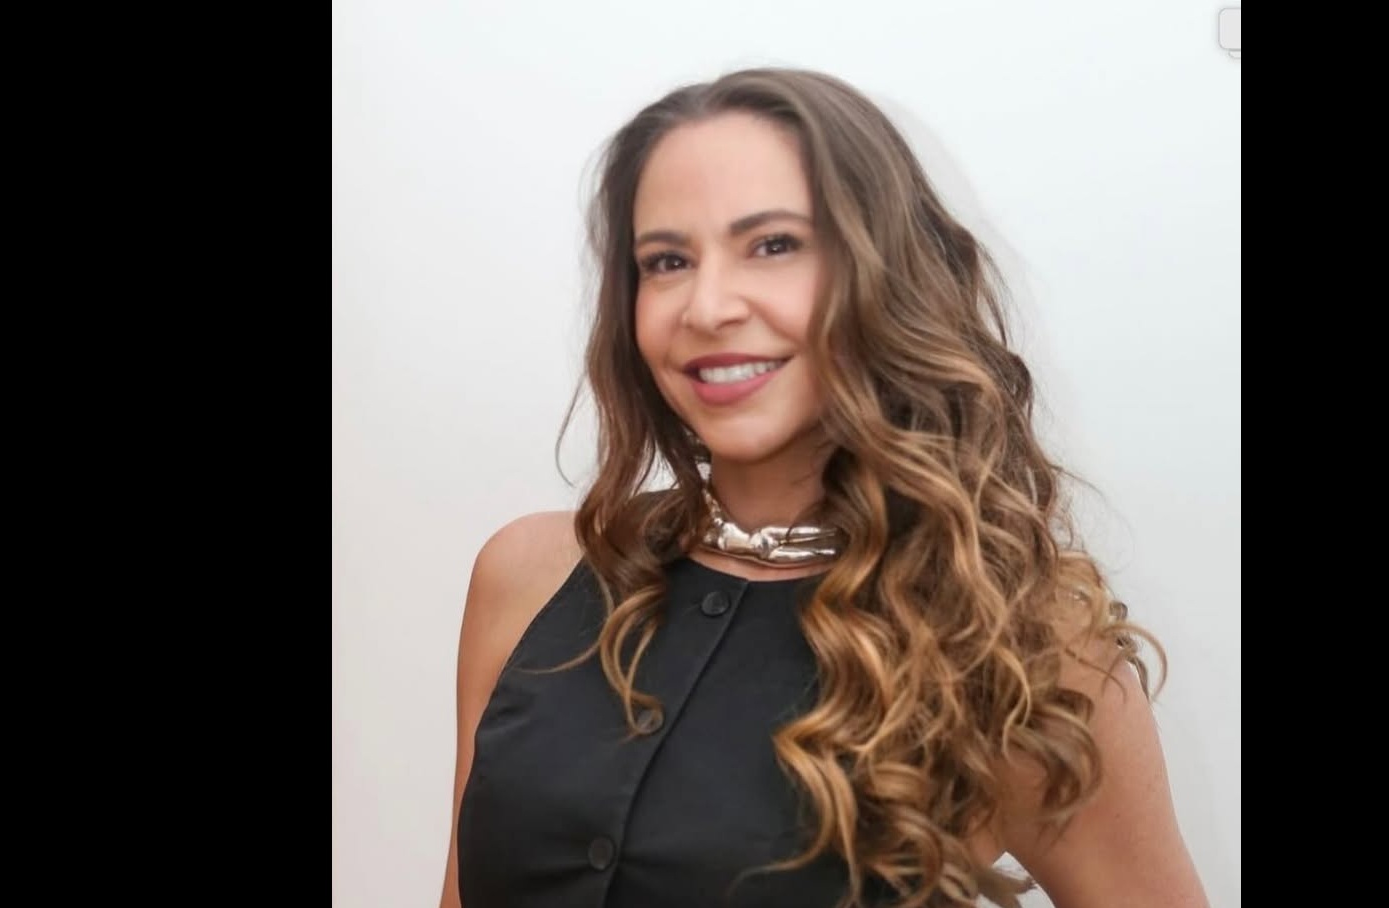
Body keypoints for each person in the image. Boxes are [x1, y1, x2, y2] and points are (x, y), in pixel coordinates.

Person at [438, 67, 1209, 908]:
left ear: (886, 274)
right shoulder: (527, 575)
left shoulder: (1019, 642)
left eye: (773, 245)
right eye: (666, 261)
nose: (707, 305)